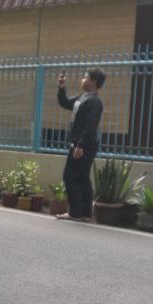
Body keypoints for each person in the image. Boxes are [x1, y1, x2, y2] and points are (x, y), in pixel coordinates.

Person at [55, 67, 106, 221]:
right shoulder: (82, 97)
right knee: (82, 178)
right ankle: (85, 213)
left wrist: (80, 146)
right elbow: (65, 103)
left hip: (84, 146)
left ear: (93, 81)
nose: (82, 79)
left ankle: (75, 212)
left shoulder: (95, 102)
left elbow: (90, 126)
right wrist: (61, 88)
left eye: (85, 77)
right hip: (81, 144)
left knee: (70, 176)